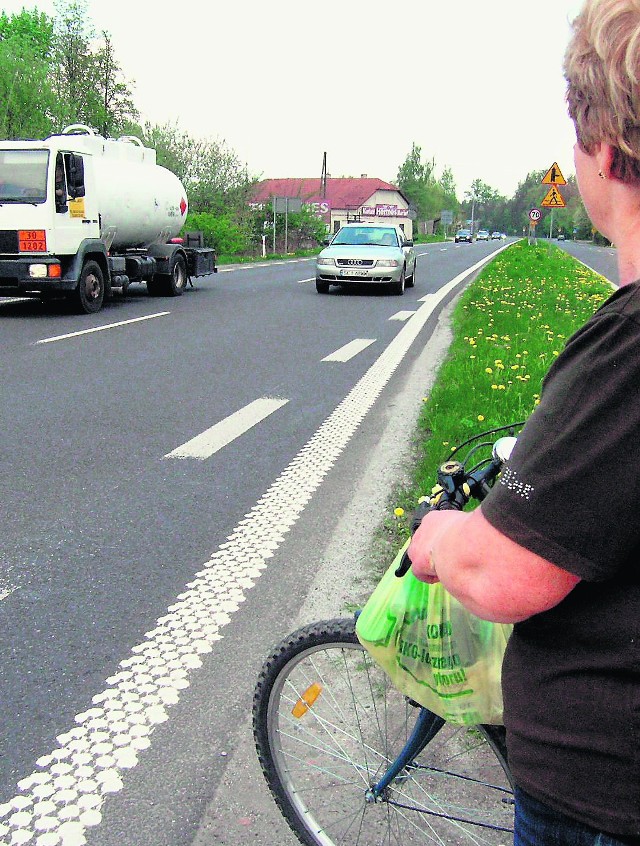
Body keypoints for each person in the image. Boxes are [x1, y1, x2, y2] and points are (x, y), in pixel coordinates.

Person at [408, 1, 640, 843]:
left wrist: (439, 539)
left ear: (603, 151)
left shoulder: (627, 348)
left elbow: (509, 575)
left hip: (600, 801)